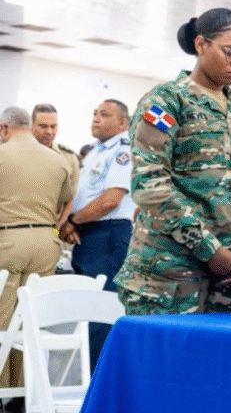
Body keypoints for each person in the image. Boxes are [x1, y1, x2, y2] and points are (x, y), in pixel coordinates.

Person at [115, 8, 231, 315]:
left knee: (222, 364)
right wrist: (209, 248)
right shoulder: (166, 101)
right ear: (201, 45)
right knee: (162, 364)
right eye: (230, 52)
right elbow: (150, 185)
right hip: (170, 278)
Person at [0, 106, 75, 388]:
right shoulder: (58, 160)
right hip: (46, 242)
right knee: (32, 320)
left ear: (3, 128)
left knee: (2, 321)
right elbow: (67, 199)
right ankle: (27, 391)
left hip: (7, 241)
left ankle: (3, 391)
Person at [60, 100, 136, 370]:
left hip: (109, 235)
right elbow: (82, 196)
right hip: (90, 234)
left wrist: (73, 221)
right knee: (85, 310)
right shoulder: (94, 152)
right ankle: (84, 381)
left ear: (122, 124)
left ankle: (98, 383)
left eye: (104, 115)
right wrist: (71, 223)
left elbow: (110, 200)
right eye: (94, 113)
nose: (96, 119)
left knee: (101, 313)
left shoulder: (123, 152)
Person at [31, 104, 78, 223]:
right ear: (31, 126)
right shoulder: (16, 152)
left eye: (53, 126)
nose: (49, 131)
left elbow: (71, 199)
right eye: (43, 126)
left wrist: (57, 230)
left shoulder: (69, 157)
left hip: (51, 226)